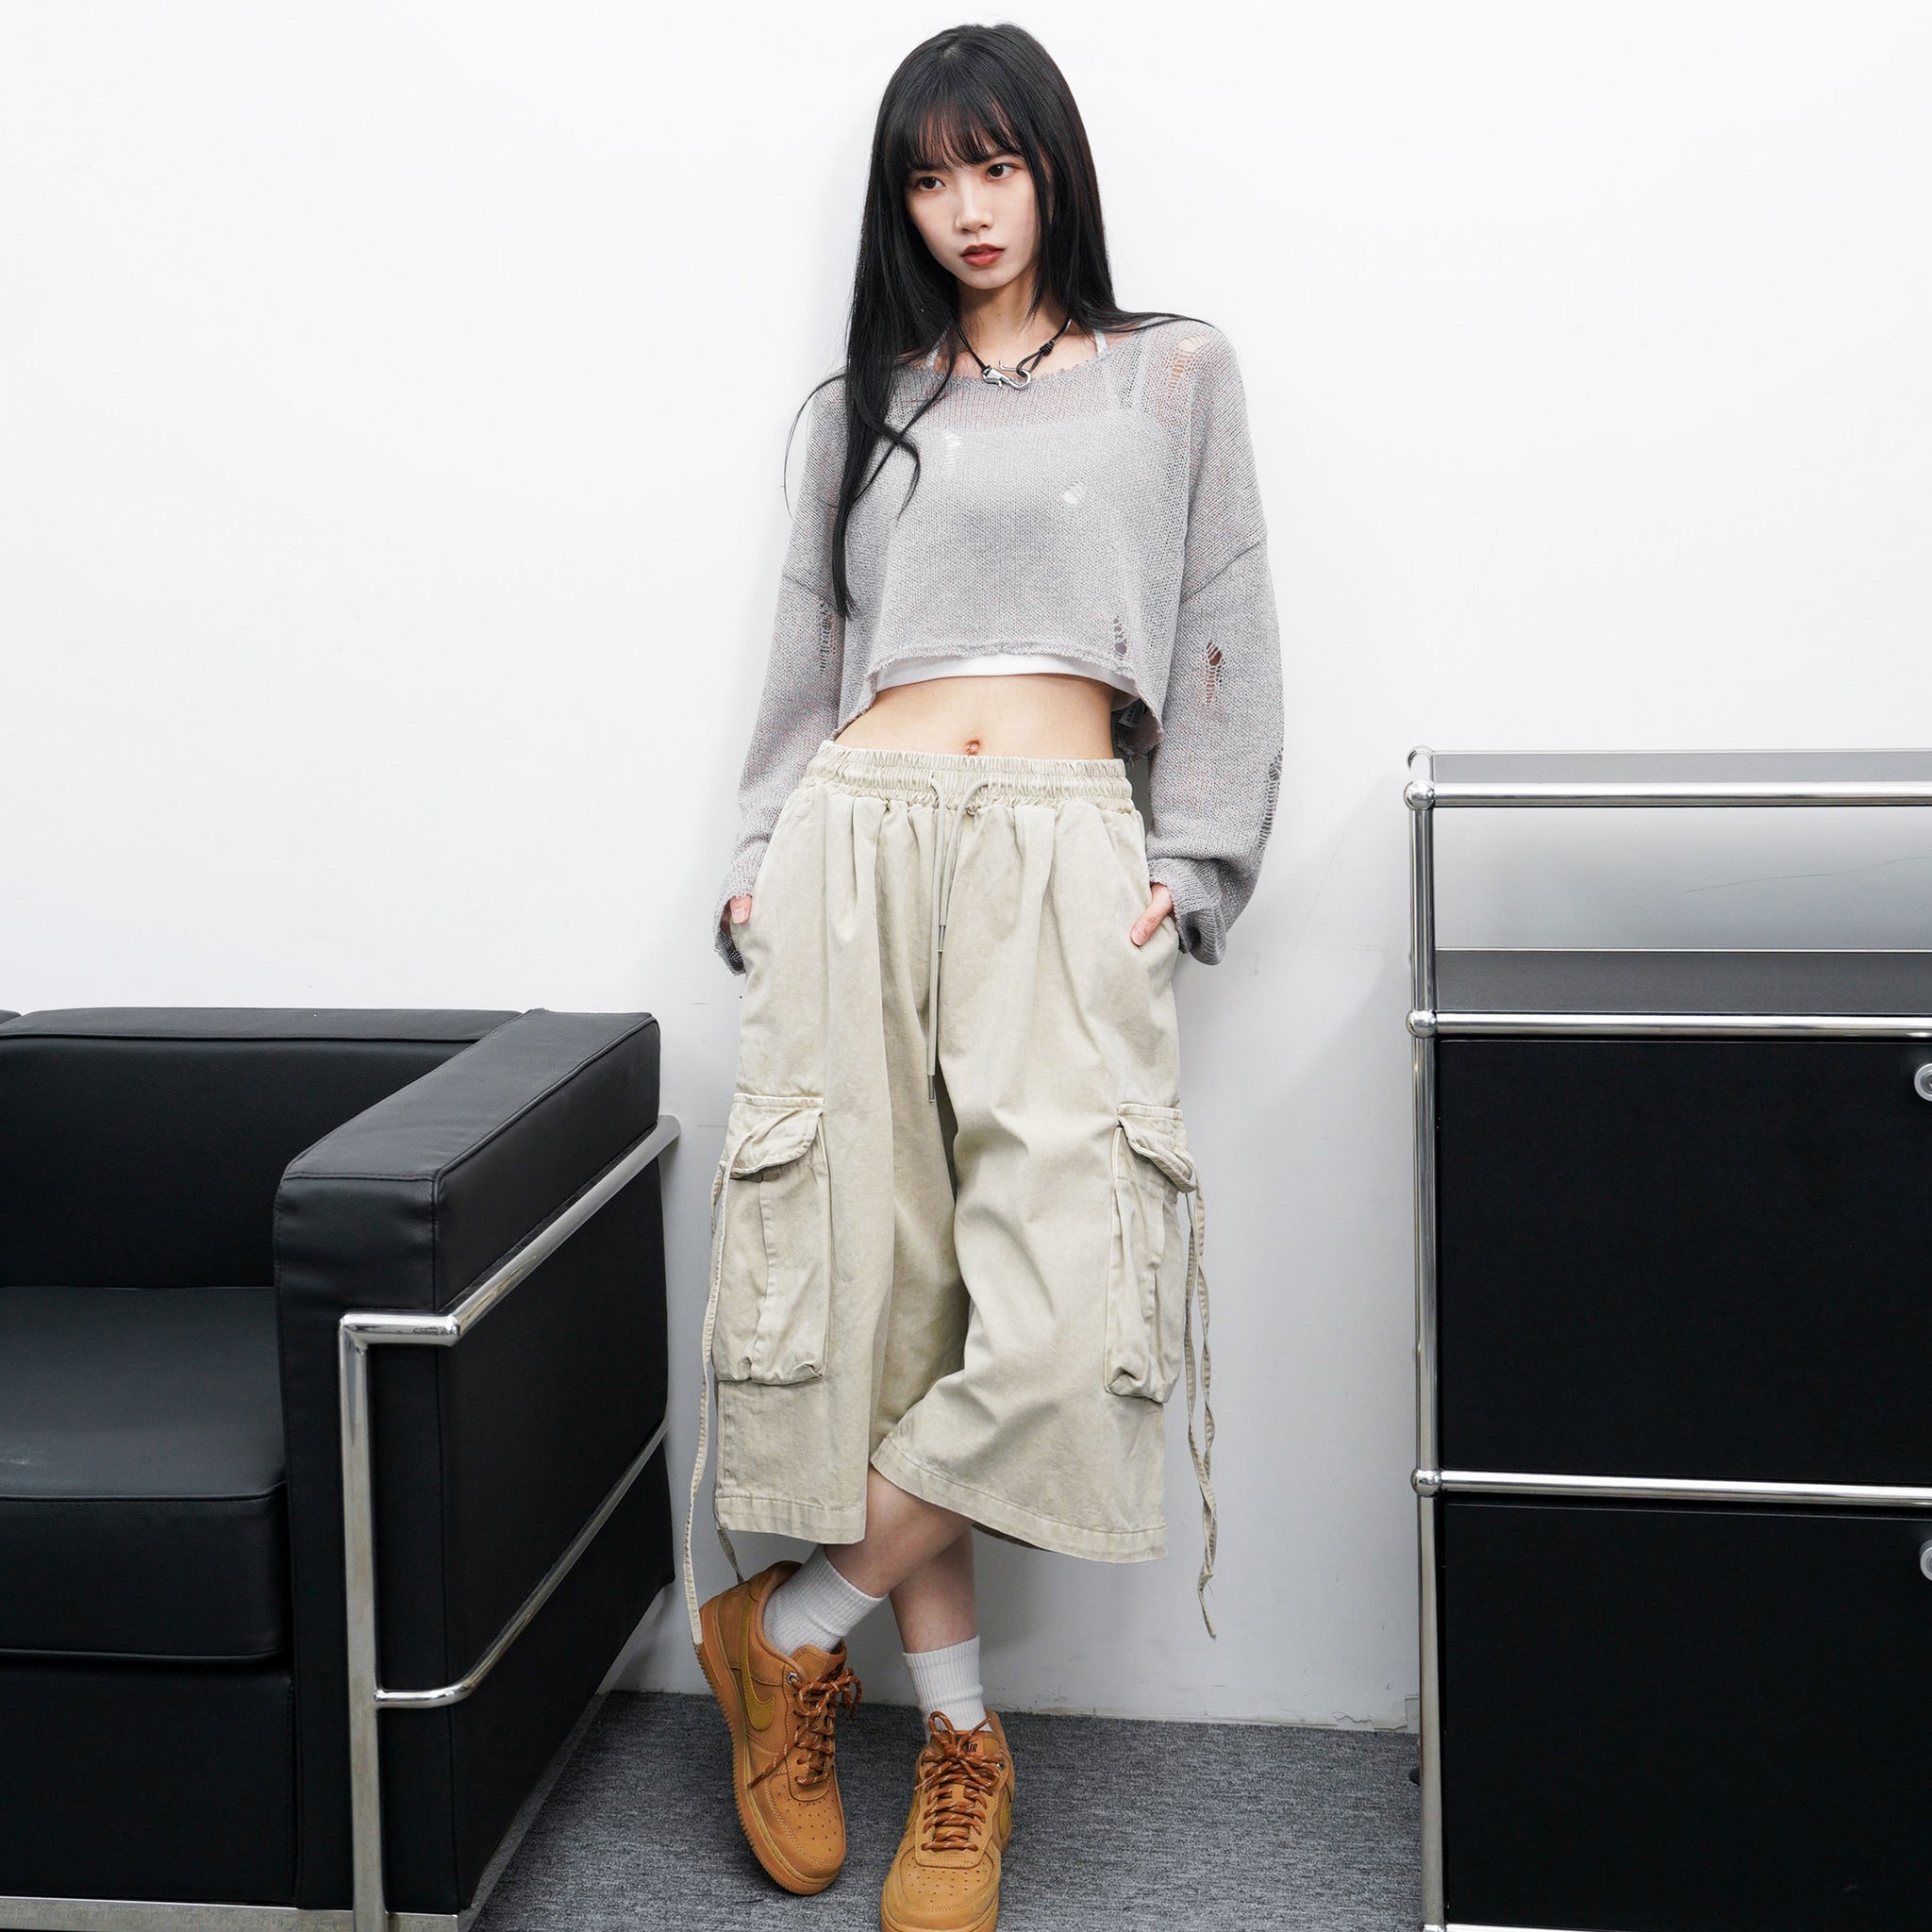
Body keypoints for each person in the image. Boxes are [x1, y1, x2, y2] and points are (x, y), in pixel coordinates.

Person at [687, 22, 1283, 1930]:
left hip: (1062, 854)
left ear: (1053, 171)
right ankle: (960, 1744)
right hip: (857, 847)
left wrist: (1191, 865)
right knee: (893, 1316)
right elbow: (806, 661)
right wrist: (761, 863)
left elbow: (1223, 628)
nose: (967, 208)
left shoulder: (1170, 374)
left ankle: (788, 1627)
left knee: (1061, 1312)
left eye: (996, 165)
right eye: (932, 176)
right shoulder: (859, 407)